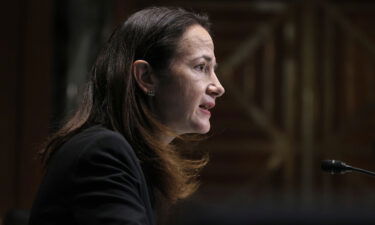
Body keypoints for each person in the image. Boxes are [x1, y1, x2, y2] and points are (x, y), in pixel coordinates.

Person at [28, 6, 225, 225]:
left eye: (213, 69)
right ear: (146, 77)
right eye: (200, 67)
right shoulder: (102, 153)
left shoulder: (139, 162)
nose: (218, 86)